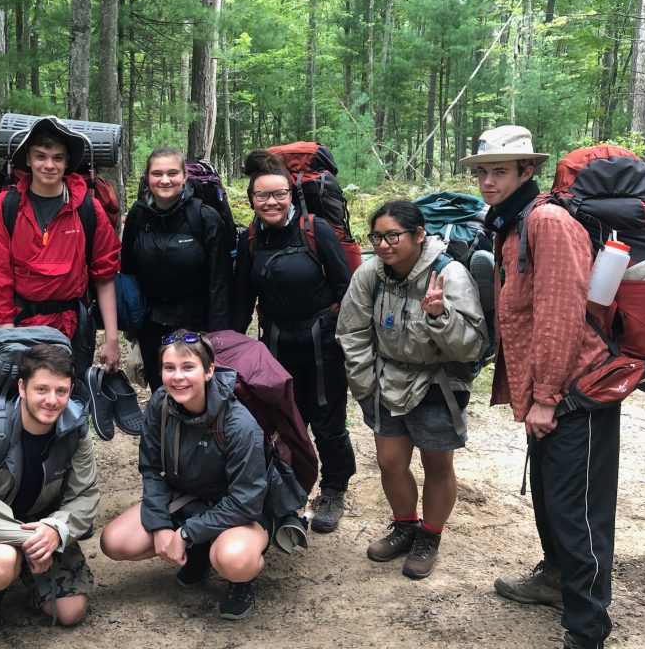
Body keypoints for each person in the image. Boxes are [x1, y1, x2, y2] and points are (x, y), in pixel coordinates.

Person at [464, 125, 616, 649]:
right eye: (482, 171)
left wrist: (548, 396)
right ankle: (555, 580)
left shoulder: (547, 221)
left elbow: (561, 313)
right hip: (546, 392)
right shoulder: (512, 222)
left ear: (527, 171)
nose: (487, 180)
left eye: (499, 171)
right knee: (552, 501)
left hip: (576, 392)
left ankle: (588, 626)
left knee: (578, 512)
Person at [336, 200, 486, 579]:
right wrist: (365, 385)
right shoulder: (371, 273)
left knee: (437, 464)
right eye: (378, 237)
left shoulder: (449, 274)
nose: (384, 245)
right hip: (386, 380)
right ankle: (405, 526)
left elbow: (471, 345)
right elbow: (351, 332)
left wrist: (440, 316)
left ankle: (429, 537)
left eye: (393, 236)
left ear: (419, 235)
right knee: (389, 461)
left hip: (439, 383)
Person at [100, 330, 269, 620]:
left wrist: (187, 532)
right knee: (114, 541)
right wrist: (160, 526)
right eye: (170, 368)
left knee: (233, 559)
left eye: (188, 367)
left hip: (239, 511)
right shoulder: (160, 404)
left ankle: (240, 581)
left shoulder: (239, 424)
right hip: (187, 498)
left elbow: (246, 502)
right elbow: (152, 469)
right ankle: (200, 552)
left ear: (209, 371)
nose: (178, 377)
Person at [230, 149, 355, 534]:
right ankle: (290, 487)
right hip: (277, 341)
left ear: (292, 194)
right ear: (251, 199)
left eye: (279, 194)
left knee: (327, 419)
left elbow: (345, 288)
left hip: (323, 341)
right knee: (283, 418)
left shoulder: (315, 231)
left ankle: (334, 489)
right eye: (263, 196)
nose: (271, 202)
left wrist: (348, 341)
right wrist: (226, 347)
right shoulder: (250, 239)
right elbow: (240, 301)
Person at [0, 343, 98, 635]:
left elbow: (86, 495)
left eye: (61, 391)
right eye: (41, 389)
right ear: (22, 387)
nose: (52, 400)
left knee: (70, 612)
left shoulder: (76, 431)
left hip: (45, 522)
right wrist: (30, 542)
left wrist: (55, 531)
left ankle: (32, 575)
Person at [0, 116, 120, 373]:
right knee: (23, 405)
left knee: (71, 403)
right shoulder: (6, 207)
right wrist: (7, 337)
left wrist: (111, 339)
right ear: (28, 160)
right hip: (20, 327)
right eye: (41, 156)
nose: (49, 165)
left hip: (73, 327)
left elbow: (105, 274)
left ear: (67, 164)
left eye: (57, 157)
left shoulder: (88, 208)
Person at [121, 146, 232, 391]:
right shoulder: (138, 216)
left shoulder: (205, 217)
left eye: (172, 173)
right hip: (150, 324)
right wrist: (132, 326)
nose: (165, 180)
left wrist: (218, 337)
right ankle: (162, 430)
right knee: (160, 390)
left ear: (184, 176)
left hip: (196, 322)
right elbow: (127, 270)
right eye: (157, 173)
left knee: (195, 392)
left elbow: (220, 282)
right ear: (147, 177)